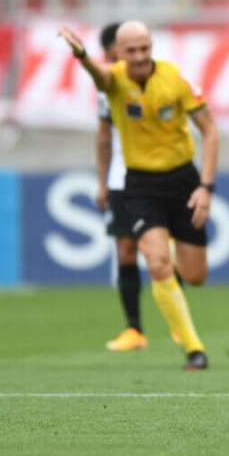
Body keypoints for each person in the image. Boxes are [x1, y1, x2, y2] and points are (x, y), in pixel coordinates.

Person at [59, 21, 218, 370]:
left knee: (195, 275)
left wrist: (205, 187)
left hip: (182, 181)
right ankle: (194, 348)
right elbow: (99, 78)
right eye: (131, 51)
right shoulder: (114, 81)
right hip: (140, 185)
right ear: (120, 52)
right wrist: (82, 56)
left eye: (145, 48)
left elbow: (210, 130)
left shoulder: (176, 79)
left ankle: (172, 269)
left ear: (151, 46)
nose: (140, 56)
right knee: (156, 261)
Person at [94, 21, 148, 352]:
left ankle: (181, 328)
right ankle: (134, 329)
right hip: (121, 179)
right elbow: (103, 137)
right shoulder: (107, 89)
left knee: (166, 258)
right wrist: (102, 182)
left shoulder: (159, 77)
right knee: (126, 250)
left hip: (161, 176)